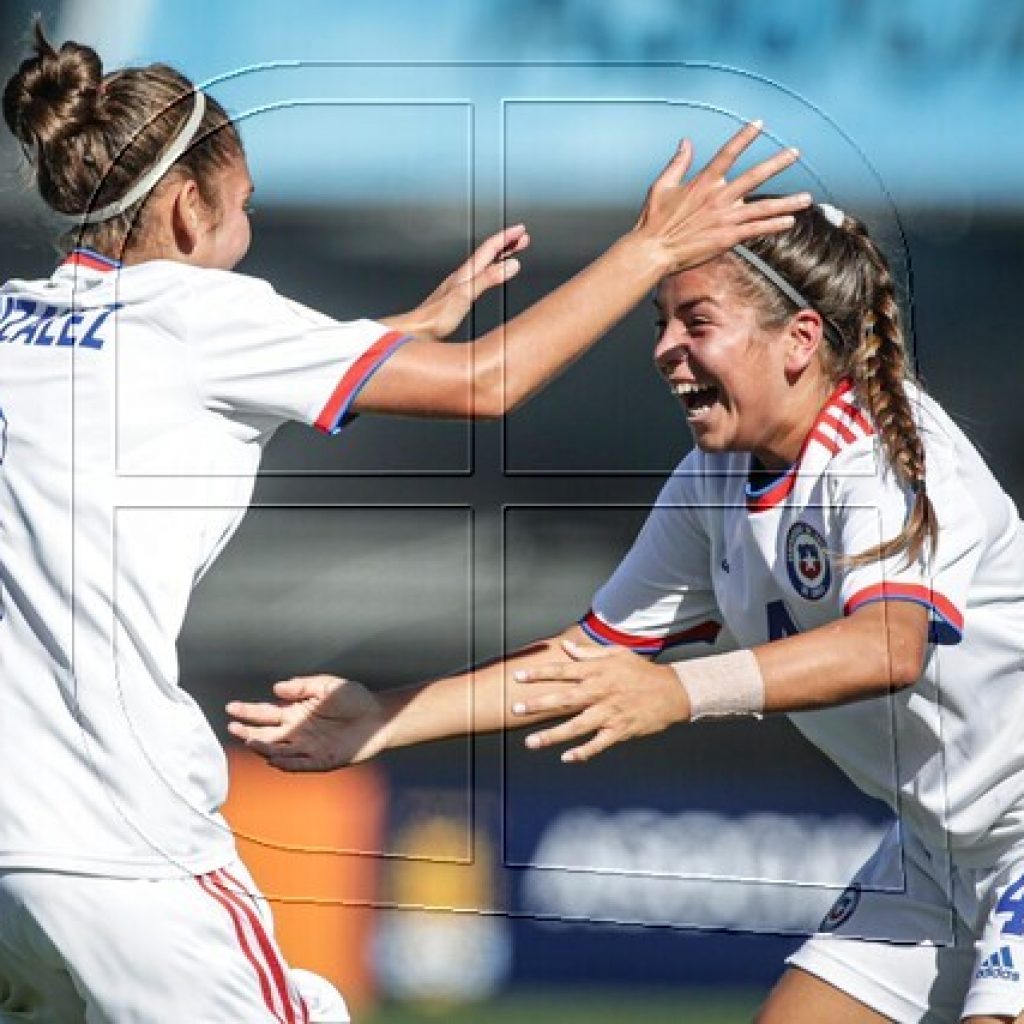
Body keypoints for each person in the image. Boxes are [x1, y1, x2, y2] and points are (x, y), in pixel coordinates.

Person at [0, 17, 809, 1023]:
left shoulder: (18, 318)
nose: (247, 228)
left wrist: (394, 332)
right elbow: (486, 383)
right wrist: (653, 249)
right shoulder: (204, 317)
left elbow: (172, 377)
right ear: (182, 205)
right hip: (112, 832)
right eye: (244, 206)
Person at [229, 198, 1024, 1023]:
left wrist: (678, 693)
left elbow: (889, 646)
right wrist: (382, 720)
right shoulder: (711, 483)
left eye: (697, 322)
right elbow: (581, 663)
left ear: (800, 339)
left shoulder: (889, 454)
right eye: (661, 322)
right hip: (937, 854)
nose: (665, 350)